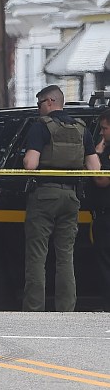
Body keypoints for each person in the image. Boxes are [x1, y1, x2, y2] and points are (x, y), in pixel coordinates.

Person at [22, 84, 100, 312]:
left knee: (37, 255)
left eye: (39, 104)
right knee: (66, 255)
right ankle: (66, 310)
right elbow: (95, 168)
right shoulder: (81, 128)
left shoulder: (41, 127)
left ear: (49, 102)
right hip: (71, 196)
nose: (38, 109)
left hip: (45, 195)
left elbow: (30, 164)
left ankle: (34, 309)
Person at [92, 108, 110, 311]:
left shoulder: (106, 151)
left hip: (107, 218)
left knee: (106, 265)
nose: (102, 133)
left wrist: (96, 155)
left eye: (104, 128)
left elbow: (101, 180)